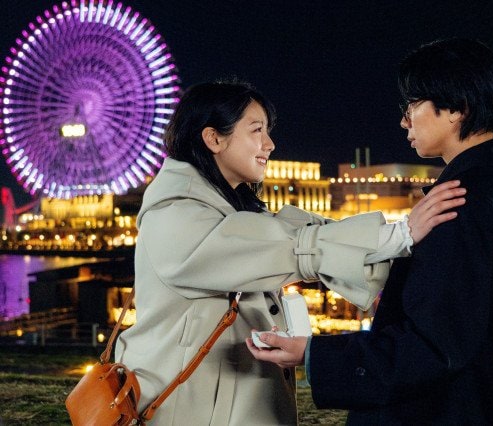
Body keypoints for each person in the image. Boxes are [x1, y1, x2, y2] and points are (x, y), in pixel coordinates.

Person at [248, 38, 493, 425]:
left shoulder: (457, 202)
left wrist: (311, 354)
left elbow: (433, 346)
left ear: (457, 107)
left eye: (413, 104)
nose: (404, 121)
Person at [114, 80, 466, 425]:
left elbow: (303, 234)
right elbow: (294, 245)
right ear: (214, 138)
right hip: (189, 412)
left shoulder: (229, 212)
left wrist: (408, 245)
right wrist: (399, 234)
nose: (269, 144)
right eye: (257, 130)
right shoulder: (174, 216)